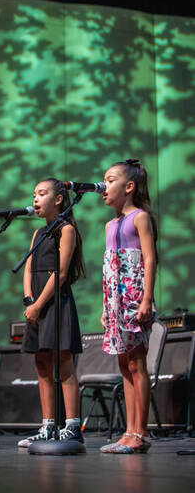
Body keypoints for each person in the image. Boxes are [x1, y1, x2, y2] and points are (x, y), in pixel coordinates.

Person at [18, 178, 85, 448]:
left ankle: (71, 425)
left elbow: (61, 274)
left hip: (55, 302)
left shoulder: (65, 229)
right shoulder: (38, 233)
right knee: (41, 363)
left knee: (63, 363)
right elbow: (27, 268)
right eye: (34, 194)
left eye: (42, 194)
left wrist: (38, 304)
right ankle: (47, 425)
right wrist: (28, 300)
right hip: (36, 303)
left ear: (58, 199)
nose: (35, 199)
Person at [100, 159, 158, 454]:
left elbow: (149, 258)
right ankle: (128, 430)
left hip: (134, 297)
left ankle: (141, 432)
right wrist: (105, 308)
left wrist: (147, 298)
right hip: (115, 302)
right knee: (124, 365)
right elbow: (109, 269)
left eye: (110, 180)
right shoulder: (110, 224)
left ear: (129, 187)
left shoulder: (139, 217)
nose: (104, 187)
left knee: (137, 363)